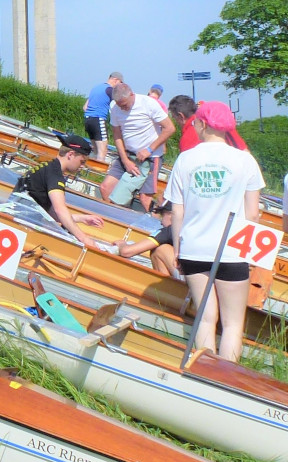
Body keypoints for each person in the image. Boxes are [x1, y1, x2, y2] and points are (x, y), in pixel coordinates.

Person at [166, 102, 264, 362]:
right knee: (232, 324)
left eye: (196, 122)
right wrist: (250, 254)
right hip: (232, 249)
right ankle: (227, 381)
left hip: (194, 248)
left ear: (203, 124)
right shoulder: (245, 159)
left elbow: (178, 212)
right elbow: (253, 214)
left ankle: (203, 373)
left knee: (206, 318)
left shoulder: (185, 159)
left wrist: (177, 247)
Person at [12, 135, 104, 248]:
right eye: (82, 161)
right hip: (21, 228)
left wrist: (81, 218)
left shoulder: (47, 167)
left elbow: (48, 211)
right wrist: (84, 239)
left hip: (18, 219)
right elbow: (60, 210)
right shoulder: (55, 176)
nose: (82, 166)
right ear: (70, 155)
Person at [99, 83, 175, 211]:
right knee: (105, 188)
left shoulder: (148, 104)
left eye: (124, 105)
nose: (122, 108)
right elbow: (117, 135)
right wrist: (125, 160)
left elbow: (170, 128)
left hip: (150, 157)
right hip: (128, 155)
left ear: (131, 95)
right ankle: (116, 218)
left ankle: (146, 224)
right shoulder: (115, 107)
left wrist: (149, 149)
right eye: (119, 105)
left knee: (144, 199)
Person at [113, 200, 178, 277]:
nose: (160, 222)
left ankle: (165, 288)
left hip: (189, 279)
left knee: (159, 249)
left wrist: (122, 244)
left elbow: (126, 252)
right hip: (193, 275)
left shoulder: (170, 230)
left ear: (171, 215)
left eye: (162, 216)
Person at [168, 95, 247, 152]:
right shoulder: (222, 126)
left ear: (181, 116)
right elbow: (245, 151)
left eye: (174, 118)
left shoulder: (188, 138)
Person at [82, 71, 122, 162]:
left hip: (88, 120)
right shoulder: (110, 90)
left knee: (95, 150)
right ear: (115, 80)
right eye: (119, 84)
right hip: (98, 119)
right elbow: (119, 103)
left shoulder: (95, 88)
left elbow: (85, 107)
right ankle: (99, 171)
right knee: (102, 150)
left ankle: (91, 170)